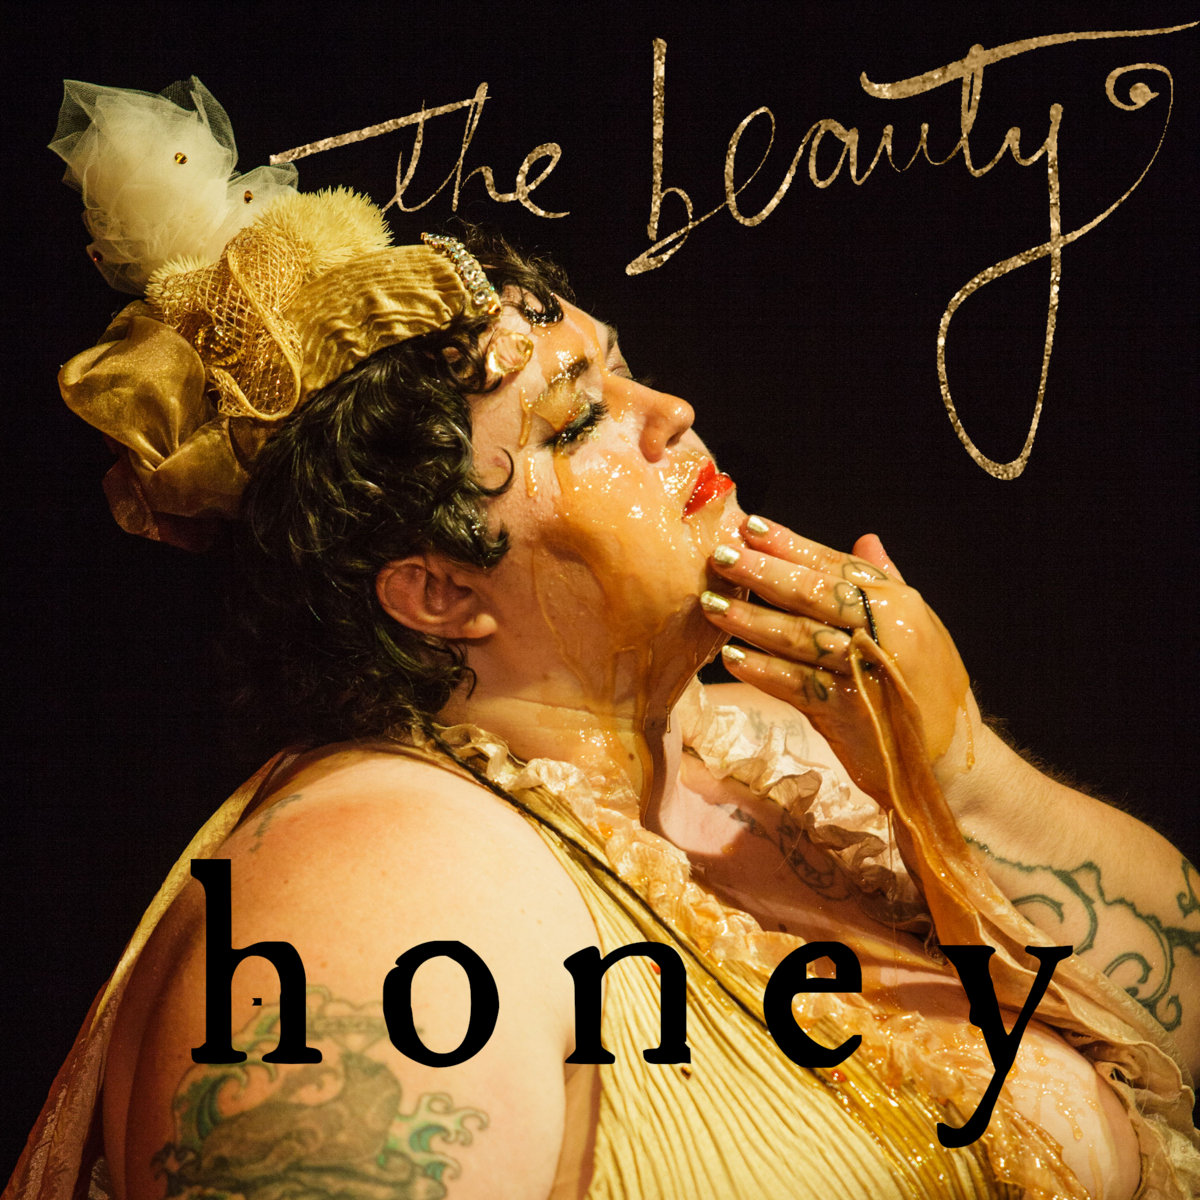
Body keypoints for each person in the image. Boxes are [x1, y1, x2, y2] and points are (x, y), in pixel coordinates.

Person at [9, 78, 1199, 1200]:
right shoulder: (373, 898)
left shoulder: (763, 748)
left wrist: (959, 771)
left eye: (623, 370)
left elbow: (1183, 1018)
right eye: (578, 417)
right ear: (437, 592)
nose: (669, 414)